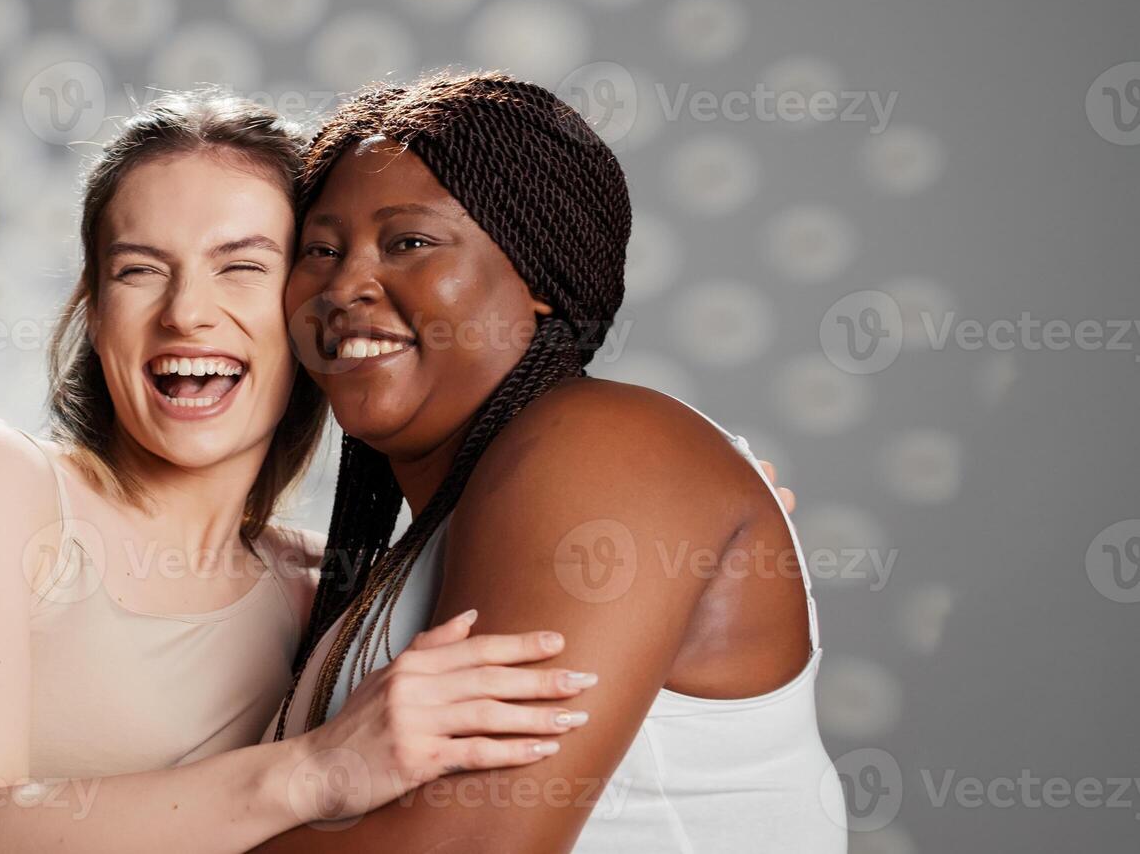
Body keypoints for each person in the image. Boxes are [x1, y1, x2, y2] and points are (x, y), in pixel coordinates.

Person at [0, 92, 600, 854]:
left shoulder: (331, 594)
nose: (187, 313)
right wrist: (317, 769)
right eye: (140, 270)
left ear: (311, 308)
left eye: (243, 266)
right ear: (95, 310)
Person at [251, 72, 845, 852]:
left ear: (534, 276)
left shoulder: (606, 445)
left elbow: (471, 847)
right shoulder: (418, 547)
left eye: (409, 243)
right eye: (320, 251)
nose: (344, 284)